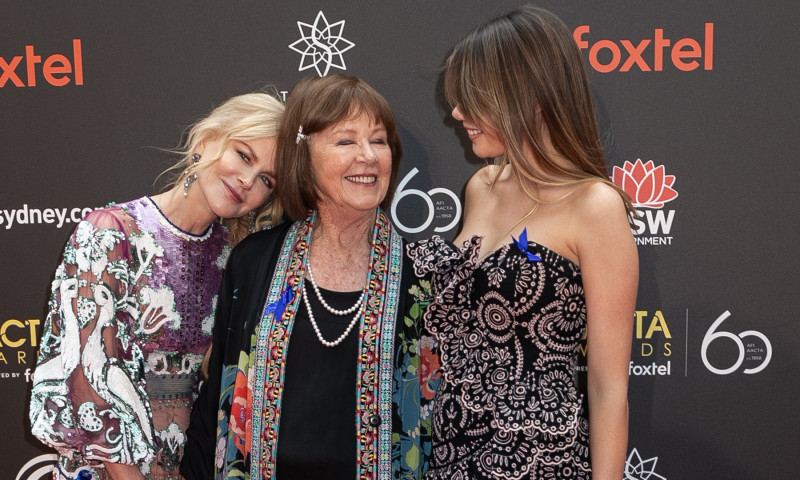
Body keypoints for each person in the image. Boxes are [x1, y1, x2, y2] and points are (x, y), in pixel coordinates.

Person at [406, 5, 639, 480]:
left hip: (541, 465)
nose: (456, 113)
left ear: (529, 98)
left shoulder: (594, 206)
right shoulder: (481, 187)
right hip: (449, 459)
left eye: (472, 99)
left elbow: (608, 386)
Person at [180, 74, 436, 480]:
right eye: (346, 141)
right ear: (305, 156)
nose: (368, 156)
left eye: (379, 140)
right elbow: (218, 397)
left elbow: (436, 418)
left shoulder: (422, 275)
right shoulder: (253, 261)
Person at [29, 91, 285, 480]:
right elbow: (88, 383)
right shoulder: (111, 232)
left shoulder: (237, 258)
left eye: (266, 179)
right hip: (108, 471)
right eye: (243, 155)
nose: (247, 180)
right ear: (204, 144)